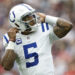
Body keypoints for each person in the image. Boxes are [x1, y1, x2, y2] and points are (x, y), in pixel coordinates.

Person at [0, 3, 72, 75]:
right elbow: (6, 66)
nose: (32, 19)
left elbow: (67, 26)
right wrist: (12, 41)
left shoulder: (44, 28)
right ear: (17, 23)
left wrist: (47, 18)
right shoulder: (10, 38)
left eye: (31, 15)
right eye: (27, 17)